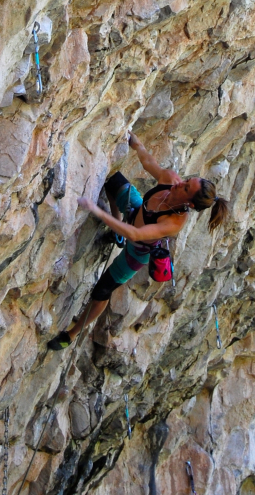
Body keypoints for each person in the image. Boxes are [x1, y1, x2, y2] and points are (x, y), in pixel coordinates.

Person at [47, 131, 229, 349]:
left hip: (137, 251)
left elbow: (134, 235)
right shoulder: (171, 180)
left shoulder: (174, 221)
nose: (181, 183)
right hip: (135, 211)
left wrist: (96, 210)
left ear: (189, 204)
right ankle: (116, 227)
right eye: (187, 180)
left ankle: (72, 334)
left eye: (186, 188)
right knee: (112, 180)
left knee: (102, 291)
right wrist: (133, 140)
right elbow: (147, 160)